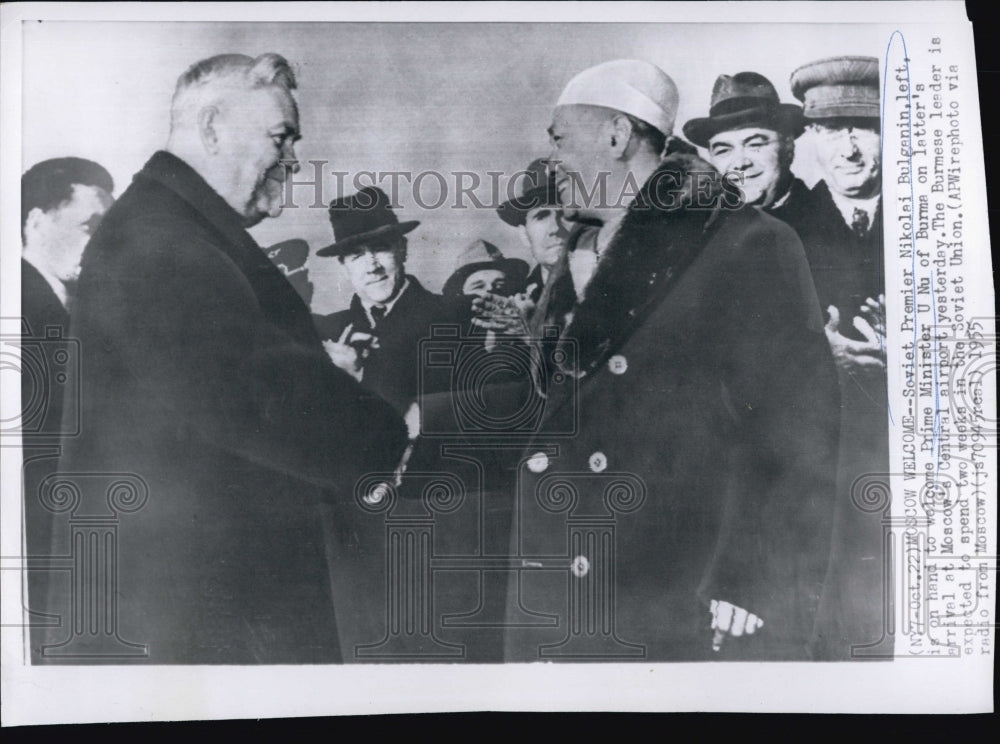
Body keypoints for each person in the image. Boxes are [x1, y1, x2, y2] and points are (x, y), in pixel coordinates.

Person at [46, 53, 407, 664]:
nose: (292, 159)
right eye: (280, 137)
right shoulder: (161, 237)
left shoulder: (170, 226)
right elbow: (247, 392)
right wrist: (389, 437)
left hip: (195, 599)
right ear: (211, 128)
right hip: (188, 615)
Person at [504, 59, 840, 661]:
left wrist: (749, 575)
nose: (551, 159)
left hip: (673, 580)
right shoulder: (578, 250)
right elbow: (561, 410)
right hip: (563, 572)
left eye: (559, 138)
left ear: (616, 135)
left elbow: (798, 427)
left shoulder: (748, 241)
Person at [788, 56, 888, 660]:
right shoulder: (778, 232)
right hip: (817, 474)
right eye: (829, 131)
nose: (847, 149)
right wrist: (812, 352)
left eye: (863, 127)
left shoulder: (940, 219)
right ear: (809, 140)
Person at [19, 157, 114, 661]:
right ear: (35, 223)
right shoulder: (24, 310)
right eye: (87, 227)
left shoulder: (64, 306)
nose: (101, 246)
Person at [314, 186, 451, 418]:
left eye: (380, 248)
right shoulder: (327, 332)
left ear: (403, 249)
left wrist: (359, 376)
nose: (372, 267)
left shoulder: (453, 314)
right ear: (343, 265)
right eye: (356, 256)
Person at [682, 71, 810, 216]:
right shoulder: (701, 228)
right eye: (723, 151)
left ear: (788, 146)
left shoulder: (828, 218)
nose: (740, 163)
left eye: (754, 145)